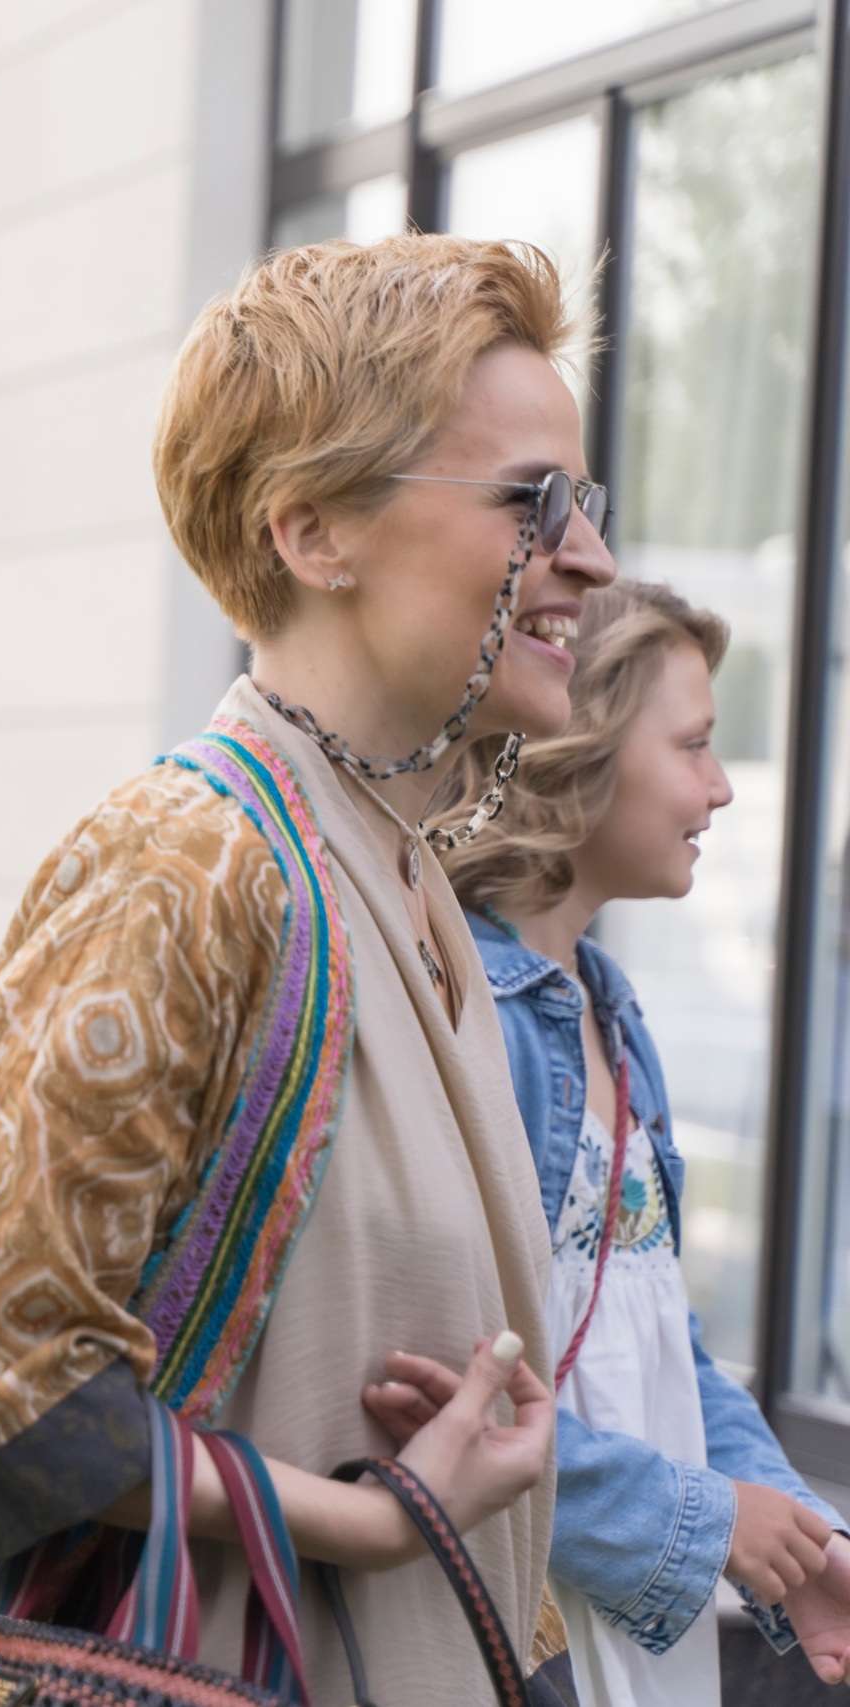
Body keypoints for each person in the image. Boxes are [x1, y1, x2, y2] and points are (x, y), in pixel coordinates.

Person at [0, 234, 594, 1703]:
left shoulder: (402, 873)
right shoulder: (192, 860)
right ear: (313, 534)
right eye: (534, 501)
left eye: (590, 502)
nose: (592, 556)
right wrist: (372, 1519)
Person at [372, 580, 850, 1701]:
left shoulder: (611, 1016)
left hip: (629, 1627)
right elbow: (438, 1390)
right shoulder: (476, 1025)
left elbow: (664, 1338)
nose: (721, 787)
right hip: (511, 1626)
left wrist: (803, 1539)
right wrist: (705, 1521)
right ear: (575, 755)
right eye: (693, 744)